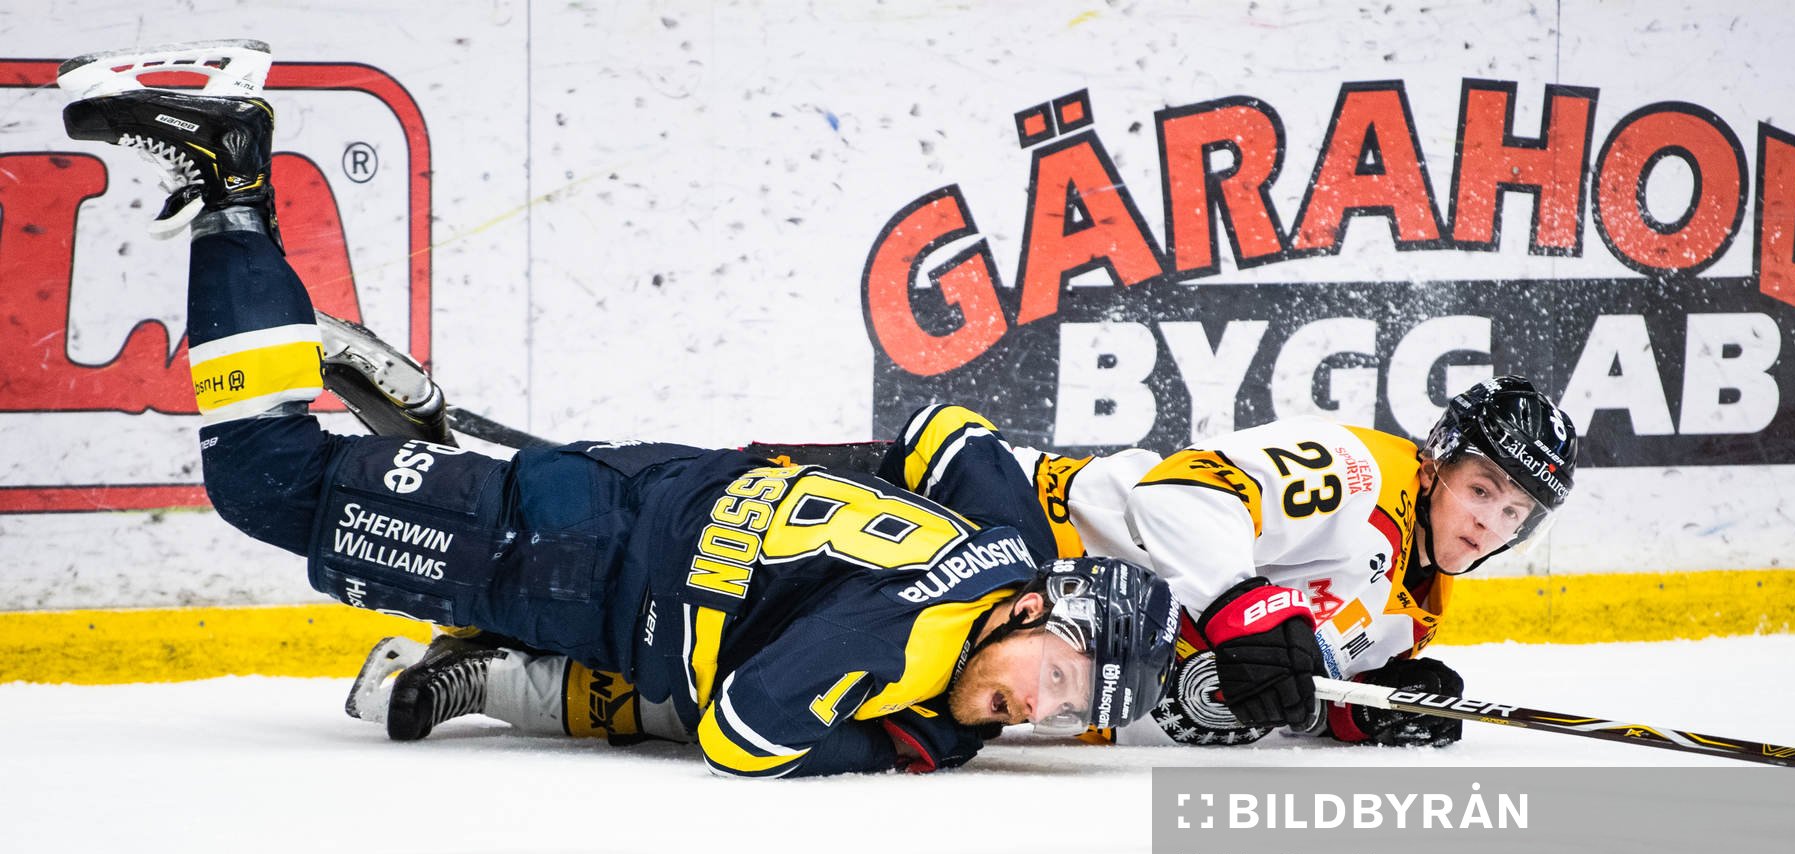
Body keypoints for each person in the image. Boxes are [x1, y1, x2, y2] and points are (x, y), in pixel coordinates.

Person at [58, 42, 1181, 777]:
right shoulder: (912, 642)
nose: (1035, 712)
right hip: (564, 551)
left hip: (629, 507)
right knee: (268, 484)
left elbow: (951, 436)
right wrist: (916, 736)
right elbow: (749, 732)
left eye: (1072, 716)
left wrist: (798, 484)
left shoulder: (1012, 548)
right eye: (1063, 679)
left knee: (608, 646)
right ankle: (231, 173)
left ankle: (424, 446)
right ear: (1049, 609)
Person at [332, 377, 1575, 754]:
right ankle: (463, 456)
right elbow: (1178, 495)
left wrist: (1355, 715)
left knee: (789, 692)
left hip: (1060, 656)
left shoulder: (1404, 601)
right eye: (1481, 489)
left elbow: (1236, 686)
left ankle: (491, 674)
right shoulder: (1360, 472)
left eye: (1514, 513)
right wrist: (1250, 611)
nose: (1487, 522)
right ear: (1439, 459)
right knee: (710, 607)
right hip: (989, 538)